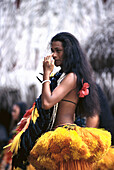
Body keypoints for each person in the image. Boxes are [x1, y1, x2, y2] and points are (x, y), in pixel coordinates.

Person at [7, 32, 112, 169]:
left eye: (58, 51)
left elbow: (46, 103)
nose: (54, 55)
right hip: (56, 136)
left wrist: (46, 73)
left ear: (69, 52)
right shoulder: (62, 77)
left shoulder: (72, 77)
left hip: (65, 139)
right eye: (52, 51)